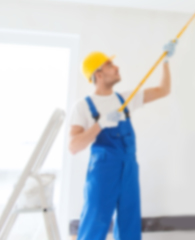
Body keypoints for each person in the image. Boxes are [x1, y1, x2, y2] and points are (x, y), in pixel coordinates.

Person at [69, 40, 176, 240]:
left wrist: (166, 62)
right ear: (98, 74)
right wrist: (99, 124)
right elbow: (74, 146)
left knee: (129, 224)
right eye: (110, 65)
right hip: (103, 170)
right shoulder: (83, 106)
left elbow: (163, 90)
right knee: (95, 222)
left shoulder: (126, 99)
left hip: (128, 167)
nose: (116, 67)